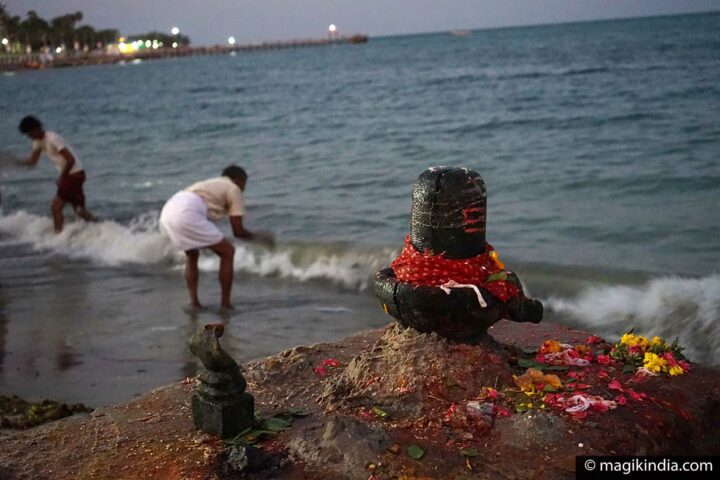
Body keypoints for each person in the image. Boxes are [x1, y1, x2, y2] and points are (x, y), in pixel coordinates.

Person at [160, 165, 274, 310]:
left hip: (168, 212)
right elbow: (238, 231)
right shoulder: (234, 188)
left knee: (192, 254)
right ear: (238, 179)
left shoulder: (209, 184)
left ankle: (194, 303)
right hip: (186, 211)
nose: (244, 189)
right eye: (244, 183)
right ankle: (225, 305)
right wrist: (260, 237)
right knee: (228, 252)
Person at [18, 115, 97, 233]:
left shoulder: (53, 138)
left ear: (36, 128)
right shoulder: (37, 142)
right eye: (27, 135)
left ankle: (57, 237)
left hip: (74, 174)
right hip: (71, 175)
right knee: (79, 210)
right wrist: (13, 161)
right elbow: (32, 162)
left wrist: (62, 177)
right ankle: (100, 227)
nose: (29, 137)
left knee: (55, 207)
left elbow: (71, 160)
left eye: (30, 133)